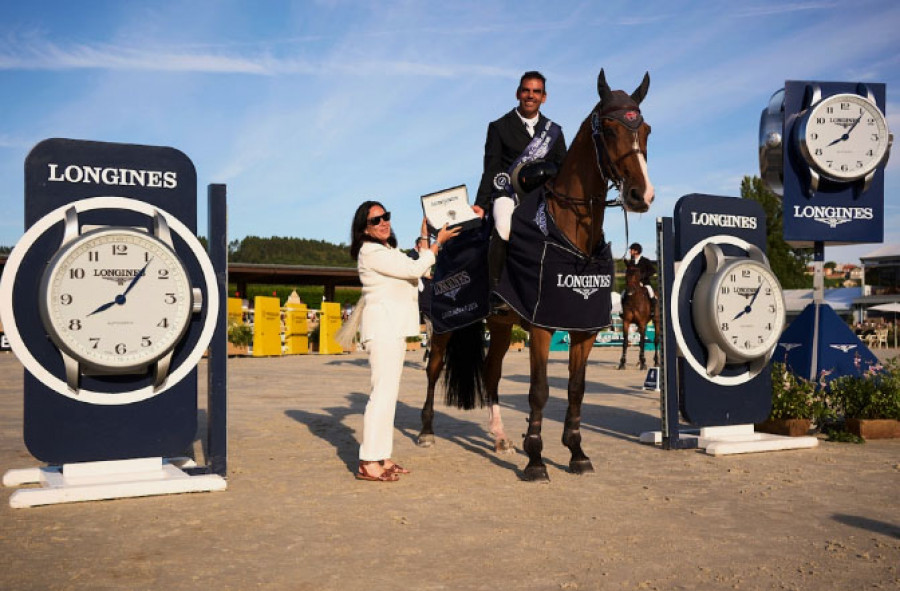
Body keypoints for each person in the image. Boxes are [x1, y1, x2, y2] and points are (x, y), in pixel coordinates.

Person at [346, 201, 459, 482]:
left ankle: (381, 457)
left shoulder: (385, 250)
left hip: (391, 329)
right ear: (364, 229)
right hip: (383, 329)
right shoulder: (370, 251)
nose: (384, 222)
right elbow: (414, 269)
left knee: (387, 396)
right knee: (380, 396)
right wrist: (436, 245)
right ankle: (368, 461)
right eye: (376, 220)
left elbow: (413, 265)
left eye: (386, 217)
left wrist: (424, 235)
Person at [472, 71, 567, 289]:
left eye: (536, 91)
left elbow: (563, 167)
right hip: (508, 193)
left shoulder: (554, 131)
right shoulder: (499, 127)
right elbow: (491, 168)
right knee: (504, 226)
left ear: (544, 97)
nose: (530, 96)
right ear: (518, 93)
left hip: (542, 196)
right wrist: (481, 203)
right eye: (526, 90)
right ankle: (496, 289)